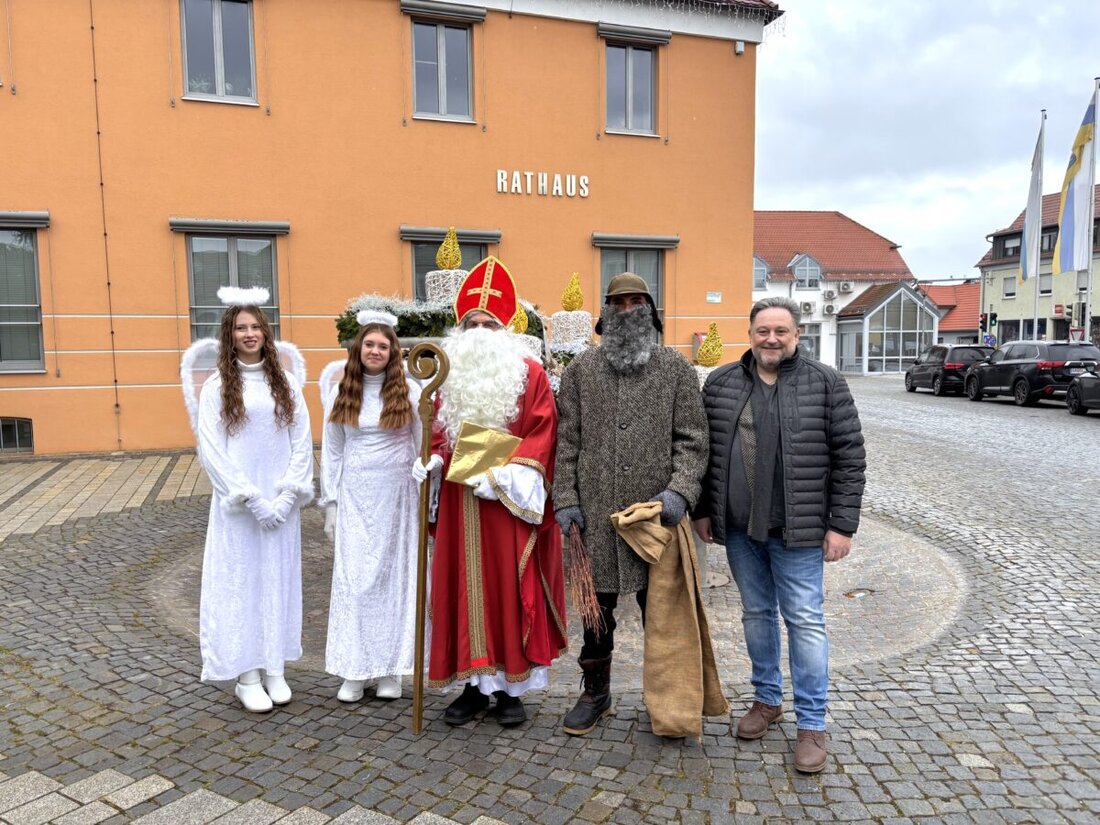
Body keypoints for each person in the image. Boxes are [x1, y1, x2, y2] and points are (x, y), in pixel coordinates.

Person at [693, 296, 866, 773]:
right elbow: (705, 456)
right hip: (741, 529)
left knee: (806, 621)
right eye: (762, 330)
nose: (771, 339)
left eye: (781, 331)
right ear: (749, 334)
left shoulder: (825, 383)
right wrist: (706, 511)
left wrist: (841, 525)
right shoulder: (723, 383)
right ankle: (767, 700)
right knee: (756, 615)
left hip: (801, 530)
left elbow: (850, 458)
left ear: (797, 335)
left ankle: (812, 722)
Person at [412, 256, 567, 728]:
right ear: (460, 329)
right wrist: (436, 459)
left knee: (506, 588)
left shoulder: (529, 375)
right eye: (471, 323)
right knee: (459, 587)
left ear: (505, 329)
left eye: (489, 322)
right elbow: (439, 430)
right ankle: (470, 685)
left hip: (507, 504)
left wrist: (502, 477)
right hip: (461, 502)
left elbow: (543, 434)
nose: (479, 330)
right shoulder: (446, 378)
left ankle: (509, 690)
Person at [553, 272, 710, 736]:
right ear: (605, 313)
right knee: (595, 613)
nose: (628, 310)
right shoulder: (581, 372)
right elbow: (567, 443)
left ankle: (670, 700)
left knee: (663, 616)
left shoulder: (676, 370)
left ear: (651, 312)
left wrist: (680, 491)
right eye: (619, 303)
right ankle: (595, 693)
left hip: (654, 521)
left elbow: (694, 440)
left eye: (637, 302)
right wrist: (564, 498)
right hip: (595, 518)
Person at [194, 288, 314, 713]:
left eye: (255, 327)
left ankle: (274, 665)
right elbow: (212, 448)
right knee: (241, 582)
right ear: (229, 335)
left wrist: (286, 496)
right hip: (240, 509)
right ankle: (246, 674)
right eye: (241, 328)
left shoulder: (287, 384)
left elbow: (301, 441)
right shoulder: (217, 387)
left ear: (267, 332)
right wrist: (249, 498)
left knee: (278, 580)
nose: (249, 334)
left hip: (281, 504)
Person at [319, 312, 422, 703]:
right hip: (356, 495)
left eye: (383, 345)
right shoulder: (341, 391)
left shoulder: (409, 392)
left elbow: (419, 441)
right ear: (358, 349)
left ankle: (390, 669)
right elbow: (332, 449)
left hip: (397, 496)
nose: (375, 351)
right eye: (369, 344)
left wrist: (422, 472)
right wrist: (330, 501)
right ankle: (354, 668)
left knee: (393, 579)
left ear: (392, 351)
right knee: (355, 580)